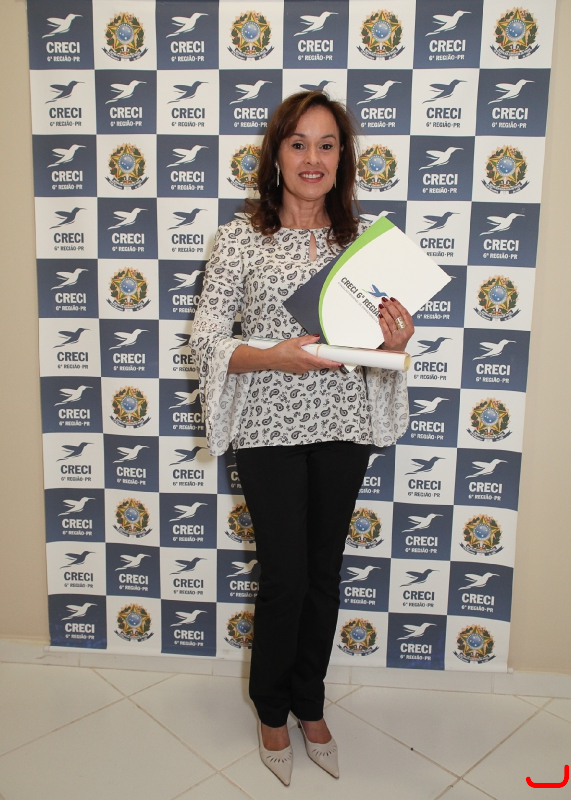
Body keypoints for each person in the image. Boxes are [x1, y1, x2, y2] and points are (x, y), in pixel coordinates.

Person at [191, 91, 414, 786]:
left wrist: (393, 343)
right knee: (285, 576)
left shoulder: (363, 240)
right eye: (298, 143)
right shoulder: (240, 238)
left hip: (343, 426)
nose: (312, 158)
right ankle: (270, 708)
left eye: (326, 144)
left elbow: (376, 349)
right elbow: (206, 339)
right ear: (277, 155)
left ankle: (310, 703)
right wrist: (272, 356)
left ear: (342, 158)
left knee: (323, 571)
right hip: (267, 430)